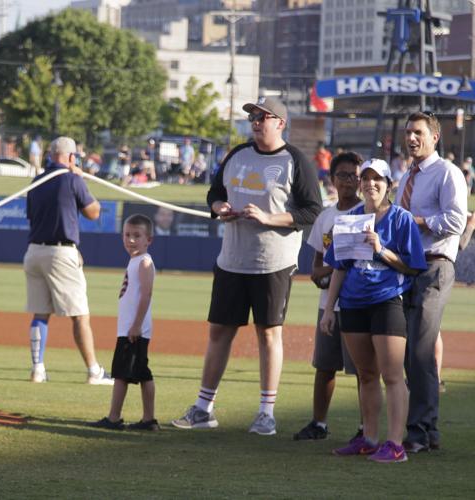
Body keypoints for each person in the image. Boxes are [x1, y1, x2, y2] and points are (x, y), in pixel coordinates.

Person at [171, 96, 322, 434]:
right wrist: (220, 206)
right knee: (219, 332)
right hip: (232, 259)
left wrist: (269, 218)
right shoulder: (238, 155)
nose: (255, 121)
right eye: (253, 116)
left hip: (273, 261)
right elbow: (213, 193)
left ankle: (266, 412)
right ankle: (203, 408)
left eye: (263, 116)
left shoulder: (294, 161)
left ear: (280, 122)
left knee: (268, 334)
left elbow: (313, 210)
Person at [321, 158, 427, 463]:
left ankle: (395, 444)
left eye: (377, 179)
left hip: (386, 300)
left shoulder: (401, 219)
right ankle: (368, 438)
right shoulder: (349, 219)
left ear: (388, 184)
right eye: (365, 179)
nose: (370, 184)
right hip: (353, 303)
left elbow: (413, 266)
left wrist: (381, 249)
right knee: (366, 374)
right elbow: (339, 267)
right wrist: (329, 309)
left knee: (392, 375)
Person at [396, 112, 468, 454]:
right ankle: (428, 429)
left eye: (418, 133)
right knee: (411, 351)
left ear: (434, 137)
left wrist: (419, 221)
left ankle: (419, 430)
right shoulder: (406, 175)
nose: (412, 138)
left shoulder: (447, 172)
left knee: (420, 351)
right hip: (407, 269)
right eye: (409, 132)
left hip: (435, 265)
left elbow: (456, 219)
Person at [24, 136, 113, 385]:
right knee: (80, 315)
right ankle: (94, 371)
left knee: (40, 313)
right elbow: (93, 212)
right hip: (60, 253)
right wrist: (81, 179)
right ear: (72, 157)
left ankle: (38, 369)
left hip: (34, 251)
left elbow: (33, 216)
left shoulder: (36, 180)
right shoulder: (72, 179)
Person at [293, 152, 363, 441]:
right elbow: (316, 269)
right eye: (343, 175)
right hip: (328, 304)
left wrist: (333, 273)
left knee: (363, 371)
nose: (349, 181)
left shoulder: (368, 213)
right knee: (324, 365)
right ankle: (318, 423)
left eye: (354, 175)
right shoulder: (326, 216)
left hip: (358, 304)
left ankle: (365, 428)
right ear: (332, 179)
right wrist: (330, 274)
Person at [91, 214, 158, 431]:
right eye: (127, 235)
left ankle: (114, 418)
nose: (130, 240)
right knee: (140, 373)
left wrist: (136, 325)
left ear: (149, 239)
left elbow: (146, 294)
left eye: (137, 236)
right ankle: (148, 420)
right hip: (130, 329)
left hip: (134, 330)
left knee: (121, 374)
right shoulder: (135, 261)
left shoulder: (144, 262)